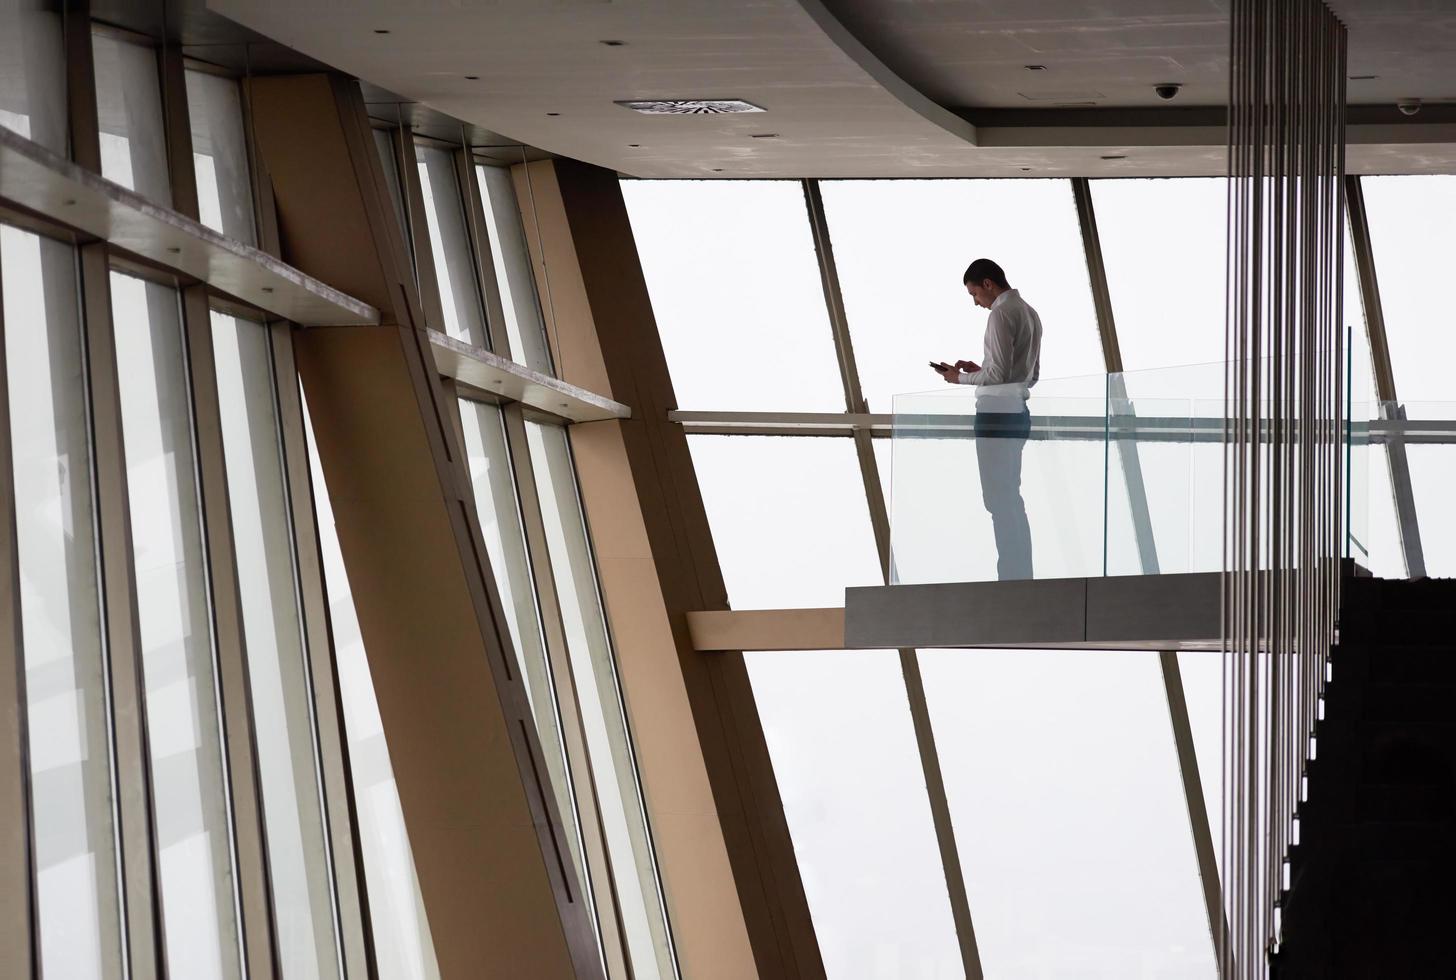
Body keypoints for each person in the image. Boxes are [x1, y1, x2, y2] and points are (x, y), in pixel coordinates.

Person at [934, 258, 1042, 580]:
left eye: (974, 294)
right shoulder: (1030, 313)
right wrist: (979, 371)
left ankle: (1012, 577)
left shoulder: (1000, 314)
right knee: (1010, 497)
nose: (976, 303)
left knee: (997, 499)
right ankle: (1021, 573)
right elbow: (1028, 375)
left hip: (995, 415)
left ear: (988, 284)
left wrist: (960, 379)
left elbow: (997, 376)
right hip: (1018, 411)